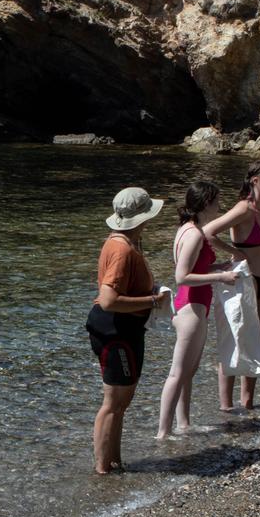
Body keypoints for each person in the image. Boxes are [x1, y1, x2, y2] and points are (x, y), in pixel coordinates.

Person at [86, 187, 168, 473]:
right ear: (142, 218)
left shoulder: (122, 241)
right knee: (113, 401)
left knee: (121, 402)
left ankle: (114, 462)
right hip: (115, 329)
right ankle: (102, 470)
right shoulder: (121, 249)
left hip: (124, 328)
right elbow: (108, 299)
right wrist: (153, 300)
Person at [158, 182, 241, 439]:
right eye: (216, 201)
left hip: (191, 305)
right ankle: (163, 433)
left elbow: (198, 267)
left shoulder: (189, 229)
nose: (220, 206)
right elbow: (182, 276)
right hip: (191, 307)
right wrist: (222, 277)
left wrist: (220, 266)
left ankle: (183, 424)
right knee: (177, 373)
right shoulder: (194, 234)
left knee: (188, 372)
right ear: (206, 203)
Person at [205, 163, 260, 414]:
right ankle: (226, 408)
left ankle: (248, 404)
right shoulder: (243, 208)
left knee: (257, 344)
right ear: (256, 180)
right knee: (233, 342)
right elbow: (208, 232)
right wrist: (235, 253)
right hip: (244, 281)